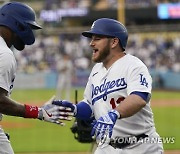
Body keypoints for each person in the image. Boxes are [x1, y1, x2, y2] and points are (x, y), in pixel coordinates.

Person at [53, 18, 164, 154]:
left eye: (97, 38)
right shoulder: (96, 71)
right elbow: (89, 105)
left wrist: (114, 114)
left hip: (141, 146)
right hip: (106, 147)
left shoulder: (133, 65)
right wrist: (75, 109)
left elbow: (139, 97)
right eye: (92, 39)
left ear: (114, 42)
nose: (91, 44)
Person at [0, 2, 71, 153]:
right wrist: (38, 112)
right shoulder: (4, 54)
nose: (30, 32)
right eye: (29, 27)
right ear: (17, 24)